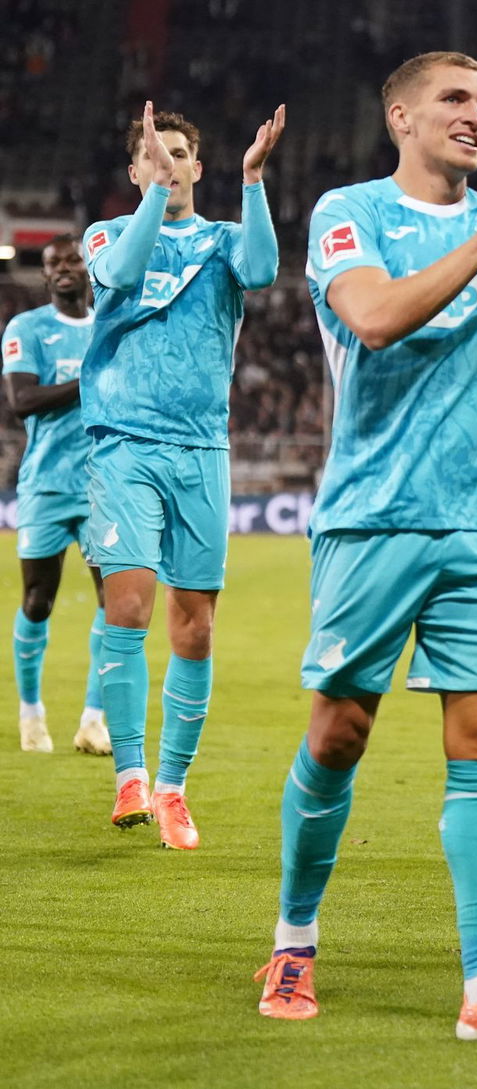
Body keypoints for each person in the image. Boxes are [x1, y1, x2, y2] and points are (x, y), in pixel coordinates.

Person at [253, 51, 477, 1046]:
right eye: (455, 99)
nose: (476, 116)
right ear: (399, 115)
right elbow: (369, 319)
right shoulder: (346, 210)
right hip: (373, 518)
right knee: (338, 735)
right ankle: (294, 937)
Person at [80, 101, 284, 846]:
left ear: (200, 166)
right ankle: (128, 775)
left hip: (201, 449)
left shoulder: (228, 241)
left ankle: (172, 787)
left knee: (194, 626)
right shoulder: (108, 233)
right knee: (129, 604)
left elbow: (262, 271)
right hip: (124, 443)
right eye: (152, 155)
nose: (166, 163)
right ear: (136, 170)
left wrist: (254, 179)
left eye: (178, 154)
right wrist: (154, 199)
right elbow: (123, 273)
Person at [2, 233, 110, 755]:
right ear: (44, 275)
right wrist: (92, 377)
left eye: (72, 260)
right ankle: (31, 713)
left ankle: (94, 719)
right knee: (38, 602)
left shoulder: (109, 327)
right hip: (45, 484)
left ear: (89, 268)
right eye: (53, 263)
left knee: (114, 603)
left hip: (103, 488)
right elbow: (23, 400)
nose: (64, 268)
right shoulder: (27, 329)